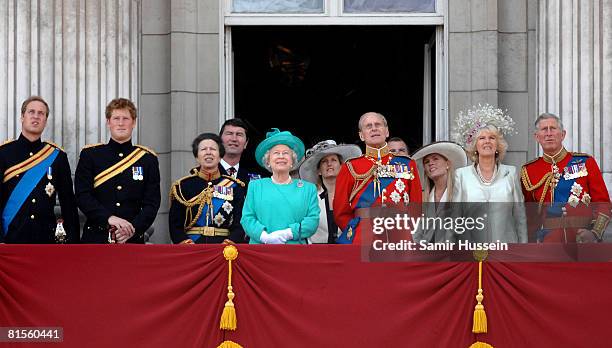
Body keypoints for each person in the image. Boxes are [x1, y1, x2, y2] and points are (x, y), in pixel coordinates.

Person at [75, 98, 161, 244]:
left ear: (133, 122)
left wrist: (133, 229)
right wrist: (109, 218)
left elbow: (152, 203)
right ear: (108, 122)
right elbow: (83, 195)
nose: (121, 123)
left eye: (125, 118)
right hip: (96, 237)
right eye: (116, 118)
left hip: (132, 239)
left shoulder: (147, 159)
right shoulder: (91, 155)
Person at [520, 112, 610, 243]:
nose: (549, 133)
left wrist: (595, 233)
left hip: (582, 240)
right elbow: (530, 215)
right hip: (548, 244)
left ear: (563, 134)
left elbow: (603, 203)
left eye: (553, 128)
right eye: (544, 129)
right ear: (537, 137)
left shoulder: (585, 162)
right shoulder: (529, 171)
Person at [334, 112, 422, 244]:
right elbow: (341, 211)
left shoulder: (407, 164)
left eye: (378, 124)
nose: (374, 128)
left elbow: (416, 205)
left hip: (399, 236)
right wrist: (357, 232)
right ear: (361, 135)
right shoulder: (350, 167)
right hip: (363, 239)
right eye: (368, 126)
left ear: (386, 132)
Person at [0, 96, 79, 243]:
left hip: (45, 238)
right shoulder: (4, 153)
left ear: (45, 121)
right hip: (11, 237)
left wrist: (73, 240)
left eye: (41, 113)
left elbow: (68, 202)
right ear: (22, 117)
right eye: (31, 112)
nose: (36, 116)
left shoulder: (57, 157)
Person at [452, 104, 527, 243]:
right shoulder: (461, 175)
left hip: (506, 250)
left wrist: (523, 249)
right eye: (481, 138)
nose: (487, 141)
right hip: (471, 251)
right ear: (475, 145)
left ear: (498, 145)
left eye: (492, 138)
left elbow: (519, 216)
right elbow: (455, 218)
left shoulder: (510, 173)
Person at [241, 128, 319, 244]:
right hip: (261, 251)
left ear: (292, 161)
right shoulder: (255, 186)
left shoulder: (308, 189)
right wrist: (265, 237)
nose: (281, 156)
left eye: (286, 153)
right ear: (268, 161)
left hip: (295, 252)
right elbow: (247, 219)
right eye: (276, 153)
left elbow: (312, 221)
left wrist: (288, 233)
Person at [168, 133, 246, 244]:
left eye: (213, 149)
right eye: (203, 149)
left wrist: (230, 241)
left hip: (223, 246)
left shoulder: (235, 187)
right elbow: (175, 223)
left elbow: (241, 221)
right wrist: (184, 241)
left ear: (220, 156)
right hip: (192, 246)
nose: (208, 152)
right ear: (197, 157)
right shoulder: (182, 186)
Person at [298, 140, 361, 243]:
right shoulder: (311, 197)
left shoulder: (353, 195)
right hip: (318, 253)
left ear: (342, 167)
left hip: (347, 251)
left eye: (333, 160)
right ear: (318, 171)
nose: (329, 164)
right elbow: (304, 228)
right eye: (324, 161)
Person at [411, 141, 467, 243]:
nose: (430, 163)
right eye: (426, 162)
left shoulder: (462, 191)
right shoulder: (425, 199)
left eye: (435, 159)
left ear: (448, 164)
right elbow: (418, 233)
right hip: (431, 255)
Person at [219, 118, 266, 185]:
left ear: (246, 143)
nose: (234, 139)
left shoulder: (256, 179)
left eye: (239, 134)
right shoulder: (204, 174)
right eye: (229, 133)